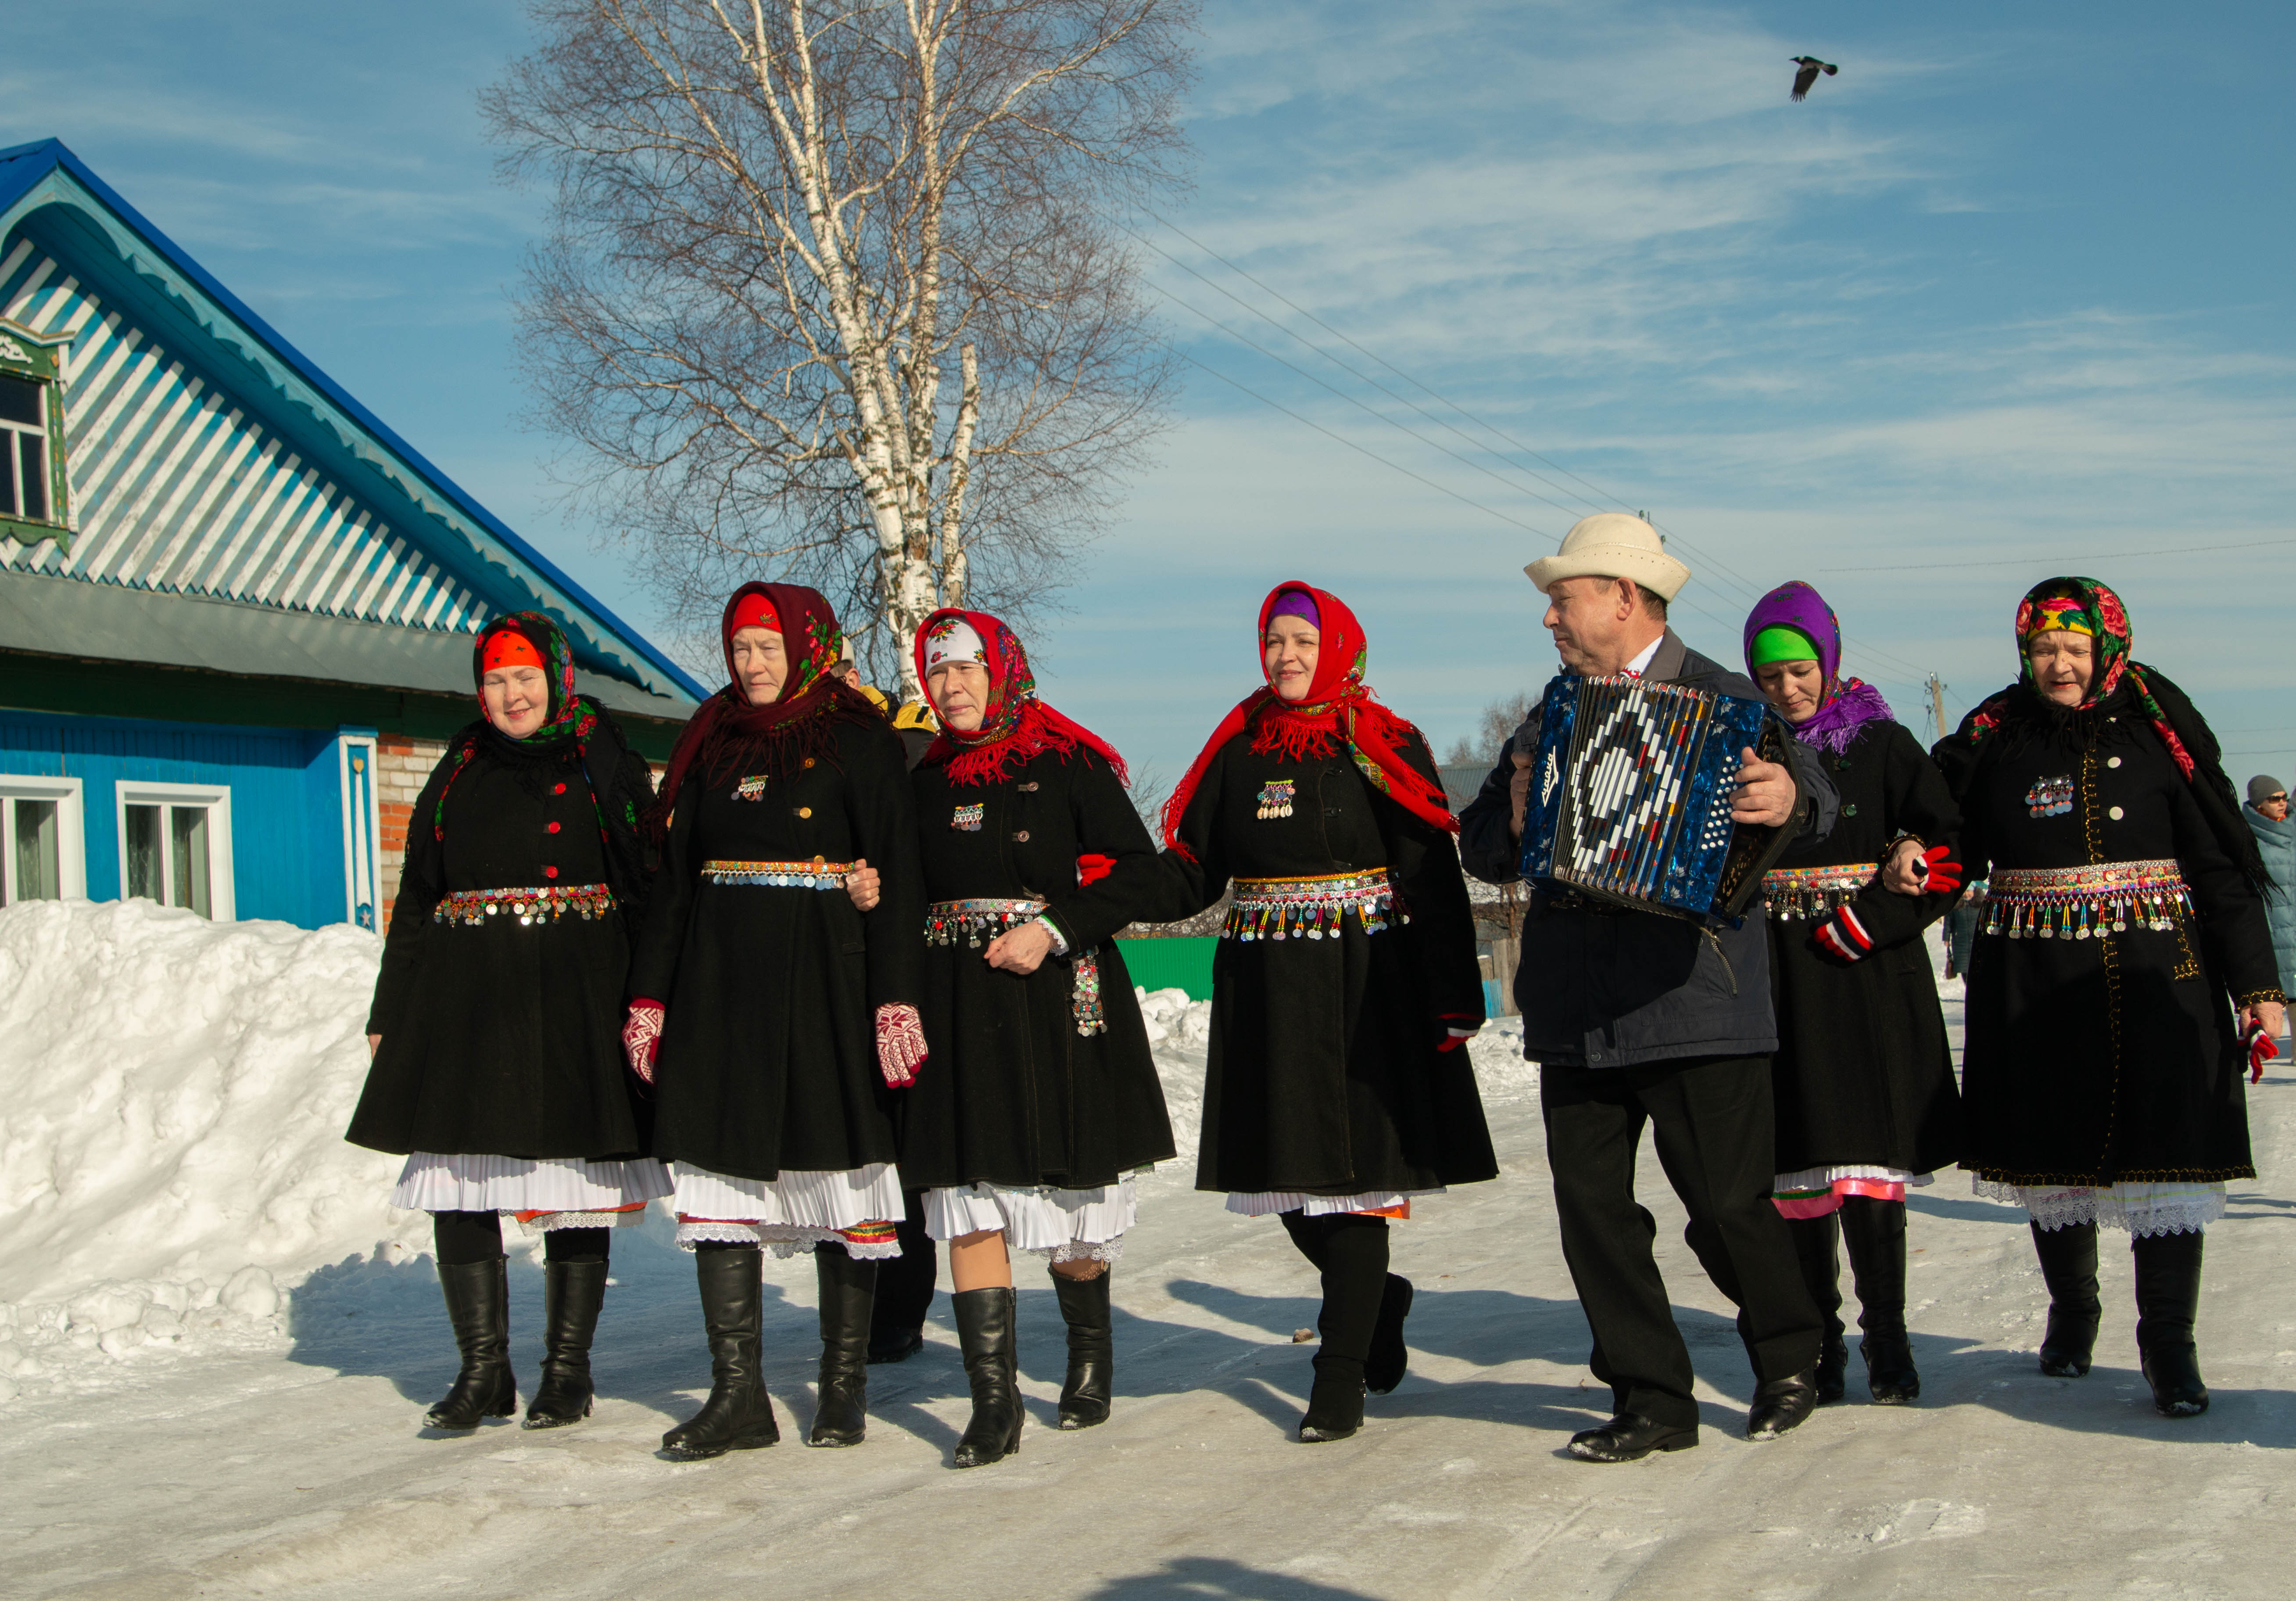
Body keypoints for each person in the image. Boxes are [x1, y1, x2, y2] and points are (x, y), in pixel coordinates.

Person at [1458, 513, 1835, 1463]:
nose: (1550, 618)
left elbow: (1820, 797)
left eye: (1564, 599)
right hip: (1575, 1005)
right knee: (1594, 1216)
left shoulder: (1726, 696)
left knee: (1728, 1206)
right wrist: (1512, 816)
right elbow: (1483, 845)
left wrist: (1787, 798)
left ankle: (1791, 1354)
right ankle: (1652, 1398)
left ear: (1624, 597)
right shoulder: (1546, 716)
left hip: (1695, 998)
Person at [1148, 582, 1497, 1444]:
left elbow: (1430, 871)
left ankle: (1336, 1376)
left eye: (1302, 640)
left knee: (1354, 1187)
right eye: (1274, 641)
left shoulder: (1380, 742)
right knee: (1290, 1184)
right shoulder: (1239, 748)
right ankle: (1378, 1298)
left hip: (1368, 987)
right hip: (1267, 991)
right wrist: (1095, 890)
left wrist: (1454, 993)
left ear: (1337, 646)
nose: (1286, 656)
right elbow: (1194, 872)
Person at [1929, 577, 2283, 1417]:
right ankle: (2073, 1309)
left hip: (2160, 977)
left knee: (2167, 1160)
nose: (2059, 664)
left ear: (2107, 649)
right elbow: (1946, 844)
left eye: (2074, 648)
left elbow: (2219, 871)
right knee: (2050, 1154)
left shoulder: (2159, 732)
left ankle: (2169, 1344)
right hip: (2033, 983)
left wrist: (2256, 986)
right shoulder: (1994, 737)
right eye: (2043, 648)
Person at [848, 608, 1175, 1464]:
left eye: (965, 668)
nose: (951, 685)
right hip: (956, 1008)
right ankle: (993, 1402)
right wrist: (873, 909)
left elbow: (1140, 872)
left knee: (1070, 1208)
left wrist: (1057, 927)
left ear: (1000, 672)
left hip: (1057, 1001)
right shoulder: (921, 779)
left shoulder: (1067, 763)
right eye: (937, 671)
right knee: (967, 1197)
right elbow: (903, 893)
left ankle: (1088, 1357)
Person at [623, 582, 928, 1458]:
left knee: (835, 1174)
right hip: (720, 989)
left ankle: (842, 1386)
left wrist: (895, 997)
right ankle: (738, 1398)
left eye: (768, 646)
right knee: (721, 1185)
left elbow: (897, 873)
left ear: (807, 647)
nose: (752, 663)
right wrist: (649, 997)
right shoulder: (712, 741)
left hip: (826, 982)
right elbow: (675, 883)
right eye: (740, 647)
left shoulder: (859, 740)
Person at [351, 611, 665, 1432]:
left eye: (525, 677)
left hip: (578, 997)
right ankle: (482, 1371)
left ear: (556, 678)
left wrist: (651, 997)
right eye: (495, 680)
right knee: (461, 1183)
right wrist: (391, 1009)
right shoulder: (459, 765)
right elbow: (418, 896)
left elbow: (648, 885)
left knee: (574, 1187)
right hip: (466, 1002)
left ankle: (567, 1372)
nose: (511, 694)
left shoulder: (602, 757)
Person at [1741, 581, 1963, 1407]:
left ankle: (1888, 1339)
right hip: (1777, 980)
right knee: (1793, 1169)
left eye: (1800, 670)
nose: (1787, 689)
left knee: (1867, 1167)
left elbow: (1946, 847)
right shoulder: (1742, 747)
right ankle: (1820, 1340)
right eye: (1769, 677)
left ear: (1829, 660)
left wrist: (1876, 916)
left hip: (1865, 979)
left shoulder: (1882, 743)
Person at [2242, 775, 2296, 1010]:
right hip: (2275, 930)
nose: (2282, 803)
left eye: (2284, 797)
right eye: (2274, 799)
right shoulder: (2248, 838)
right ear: (2259, 804)